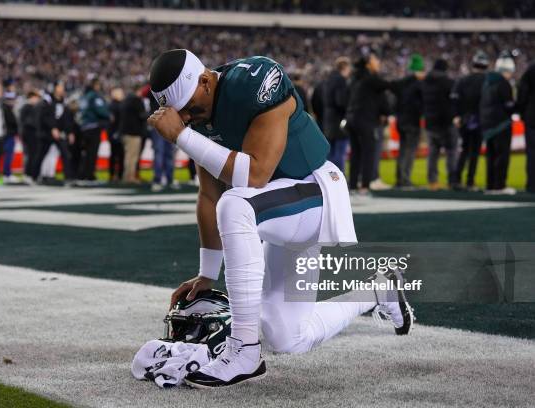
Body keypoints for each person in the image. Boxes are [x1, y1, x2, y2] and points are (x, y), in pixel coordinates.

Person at [147, 49, 414, 388]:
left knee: (235, 204)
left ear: (205, 81)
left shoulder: (256, 80)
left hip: (314, 190)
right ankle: (378, 290)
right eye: (179, 114)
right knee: (288, 338)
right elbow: (208, 194)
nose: (185, 118)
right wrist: (206, 273)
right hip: (278, 209)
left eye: (189, 108)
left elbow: (256, 174)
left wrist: (181, 137)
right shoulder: (196, 118)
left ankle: (242, 352)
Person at [345, 51, 394, 193]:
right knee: (369, 152)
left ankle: (353, 185)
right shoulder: (371, 79)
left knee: (355, 153)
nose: (378, 62)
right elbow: (385, 92)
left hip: (351, 119)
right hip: (366, 119)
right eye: (375, 60)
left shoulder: (353, 78)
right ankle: (365, 186)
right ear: (368, 64)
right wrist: (386, 112)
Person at [451, 51, 489, 191]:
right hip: (480, 119)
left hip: (464, 119)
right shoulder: (487, 81)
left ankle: (456, 180)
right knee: (474, 152)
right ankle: (469, 181)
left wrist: (457, 116)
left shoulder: (462, 80)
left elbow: (454, 99)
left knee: (464, 150)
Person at [480, 53, 516, 195]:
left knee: (491, 156)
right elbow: (509, 105)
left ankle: (490, 185)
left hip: (487, 125)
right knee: (502, 156)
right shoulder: (503, 83)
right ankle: (499, 185)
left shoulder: (487, 82)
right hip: (501, 125)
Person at [422, 59, 458, 190]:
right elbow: (454, 102)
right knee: (451, 152)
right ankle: (452, 181)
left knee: (433, 153)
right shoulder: (448, 83)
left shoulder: (425, 82)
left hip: (430, 123)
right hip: (446, 123)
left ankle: (432, 182)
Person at [390, 53, 425, 188]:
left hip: (401, 121)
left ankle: (399, 179)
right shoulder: (418, 85)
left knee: (403, 150)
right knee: (409, 151)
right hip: (412, 122)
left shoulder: (402, 83)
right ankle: (405, 180)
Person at [32, 82, 75, 184]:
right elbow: (45, 116)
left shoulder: (64, 102)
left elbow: (67, 118)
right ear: (55, 88)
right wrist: (52, 128)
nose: (61, 89)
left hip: (59, 133)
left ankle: (68, 177)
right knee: (41, 154)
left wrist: (70, 132)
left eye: (62, 87)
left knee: (65, 154)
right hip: (47, 133)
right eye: (59, 87)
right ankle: (33, 176)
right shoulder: (48, 101)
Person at [323, 57, 351, 172]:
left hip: (328, 119)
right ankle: (340, 179)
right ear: (344, 67)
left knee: (330, 154)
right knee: (340, 152)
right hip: (338, 120)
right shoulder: (340, 80)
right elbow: (341, 101)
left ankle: (330, 180)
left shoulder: (328, 80)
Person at [78, 77, 110, 181]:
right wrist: (109, 115)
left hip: (84, 127)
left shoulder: (84, 96)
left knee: (85, 153)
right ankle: (90, 175)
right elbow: (101, 110)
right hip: (93, 126)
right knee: (92, 152)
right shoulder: (94, 96)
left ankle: (82, 174)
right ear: (95, 85)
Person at [121, 87, 147, 184]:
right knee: (132, 156)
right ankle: (130, 177)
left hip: (126, 132)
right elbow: (142, 115)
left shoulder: (126, 100)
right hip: (134, 133)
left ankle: (127, 176)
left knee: (128, 156)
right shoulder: (136, 100)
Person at [516, 61, 535, 194]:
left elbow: (521, 94)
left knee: (532, 153)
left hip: (532, 117)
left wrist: (522, 112)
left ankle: (532, 185)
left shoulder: (530, 70)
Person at [20, 91, 41, 184]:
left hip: (32, 134)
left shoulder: (31, 108)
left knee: (33, 155)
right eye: (36, 98)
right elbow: (27, 122)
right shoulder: (27, 107)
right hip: (29, 134)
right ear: (32, 97)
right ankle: (28, 175)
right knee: (31, 155)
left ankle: (32, 175)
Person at [108, 87, 125, 182]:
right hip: (116, 133)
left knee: (116, 155)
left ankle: (115, 175)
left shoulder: (114, 105)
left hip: (115, 133)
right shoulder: (114, 106)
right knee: (117, 155)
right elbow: (112, 121)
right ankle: (116, 175)